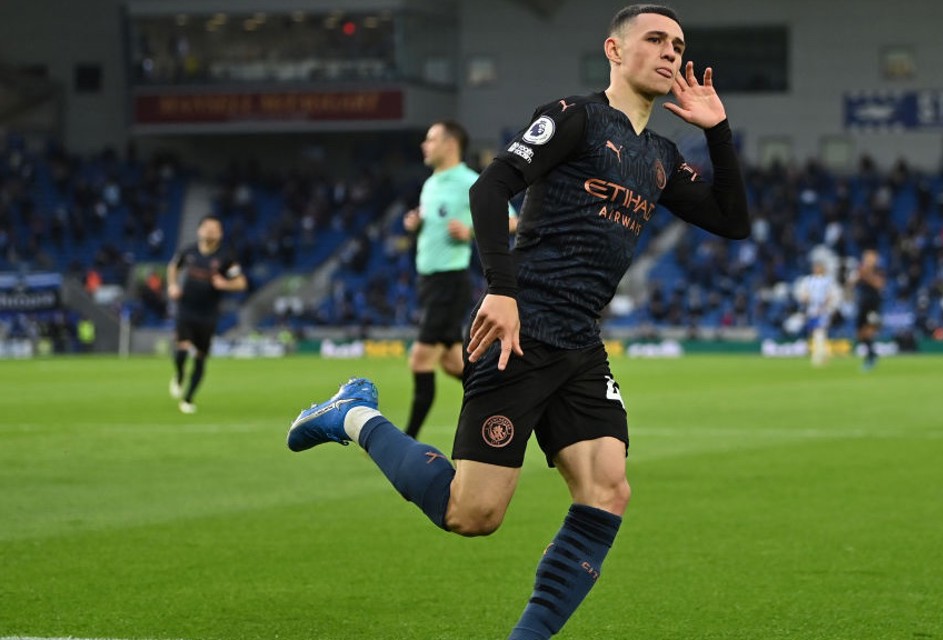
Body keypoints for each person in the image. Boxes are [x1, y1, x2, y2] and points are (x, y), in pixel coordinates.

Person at [285, 5, 748, 639]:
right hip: (519, 330)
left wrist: (719, 132)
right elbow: (489, 187)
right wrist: (502, 292)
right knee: (471, 514)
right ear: (614, 50)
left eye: (679, 44)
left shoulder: (661, 156)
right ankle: (352, 415)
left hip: (580, 343)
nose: (670, 52)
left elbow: (733, 220)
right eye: (655, 39)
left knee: (608, 491)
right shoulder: (574, 117)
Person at [402, 120, 517, 440]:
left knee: (420, 358)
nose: (425, 145)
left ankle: (406, 438)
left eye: (431, 139)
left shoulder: (471, 181)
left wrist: (469, 232)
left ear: (450, 144)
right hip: (428, 282)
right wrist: (416, 224)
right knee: (454, 364)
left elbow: (512, 220)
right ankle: (506, 402)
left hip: (448, 283)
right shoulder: (431, 184)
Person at [167, 215, 247, 413]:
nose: (210, 232)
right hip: (186, 309)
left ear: (220, 234)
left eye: (215, 229)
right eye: (207, 228)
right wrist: (172, 285)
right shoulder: (189, 252)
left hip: (208, 314)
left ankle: (188, 399)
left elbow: (241, 283)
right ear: (199, 230)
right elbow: (173, 267)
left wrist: (225, 284)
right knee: (182, 348)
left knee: (201, 357)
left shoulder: (226, 257)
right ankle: (179, 375)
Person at [797, 259, 839, 366]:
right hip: (812, 311)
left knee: (819, 332)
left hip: (823, 311)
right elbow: (802, 294)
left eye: (818, 267)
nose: (816, 269)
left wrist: (828, 305)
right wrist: (806, 298)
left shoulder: (828, 281)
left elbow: (833, 295)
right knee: (816, 333)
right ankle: (823, 354)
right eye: (815, 267)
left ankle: (818, 357)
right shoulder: (808, 280)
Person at [854, 249, 885, 370]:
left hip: (874, 304)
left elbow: (879, 285)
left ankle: (871, 357)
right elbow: (853, 284)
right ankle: (872, 354)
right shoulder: (861, 270)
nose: (868, 260)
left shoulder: (878, 271)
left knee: (869, 330)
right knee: (860, 334)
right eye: (866, 258)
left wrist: (866, 275)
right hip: (863, 303)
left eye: (871, 258)